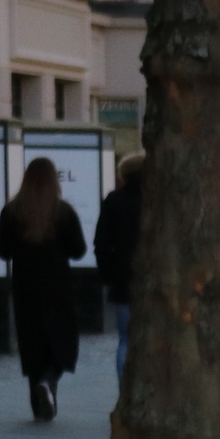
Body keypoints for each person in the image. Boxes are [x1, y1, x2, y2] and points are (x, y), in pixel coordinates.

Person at [0, 157, 86, 422]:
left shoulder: (12, 212)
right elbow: (78, 250)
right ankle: (49, 381)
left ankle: (38, 396)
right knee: (61, 340)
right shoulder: (63, 212)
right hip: (57, 284)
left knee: (32, 341)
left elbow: (2, 249)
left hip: (26, 285)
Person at [93, 153, 146, 379]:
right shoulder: (161, 199)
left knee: (126, 339)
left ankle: (125, 391)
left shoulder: (114, 200)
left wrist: (108, 275)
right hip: (159, 280)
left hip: (125, 279)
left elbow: (102, 243)